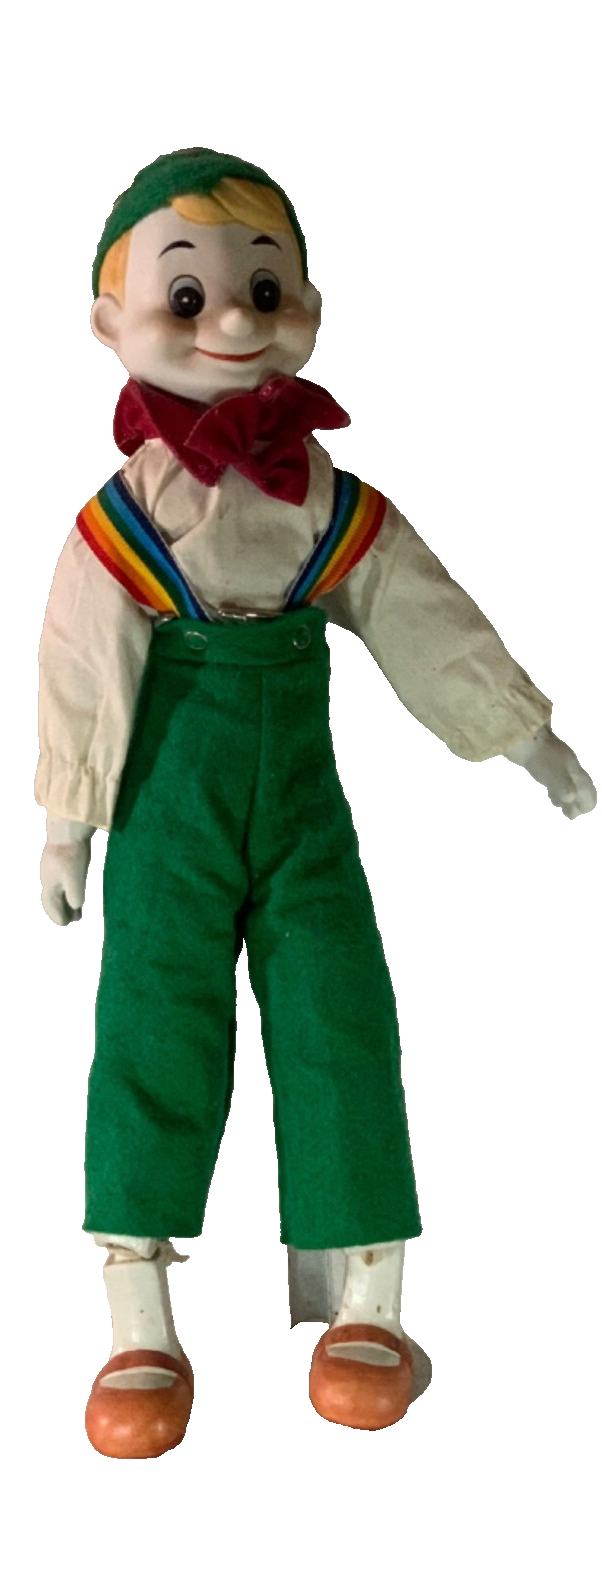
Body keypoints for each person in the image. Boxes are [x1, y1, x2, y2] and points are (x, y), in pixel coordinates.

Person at [37, 147, 596, 1457]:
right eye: (186, 297)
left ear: (310, 307)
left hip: (300, 805)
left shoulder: (331, 506)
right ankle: (136, 1319)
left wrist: (526, 737)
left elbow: (422, 617)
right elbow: (81, 666)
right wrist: (68, 821)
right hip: (166, 801)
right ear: (111, 324)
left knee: (340, 1010)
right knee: (153, 1025)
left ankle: (368, 1303)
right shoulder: (119, 526)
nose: (233, 319)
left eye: (264, 288)